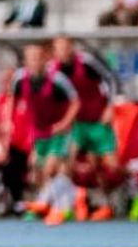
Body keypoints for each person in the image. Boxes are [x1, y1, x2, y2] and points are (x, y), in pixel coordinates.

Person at [6, 43, 80, 226]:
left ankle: (51, 207)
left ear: (45, 59)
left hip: (59, 131)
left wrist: (64, 123)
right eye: (31, 58)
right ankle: (71, 199)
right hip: (39, 130)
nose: (34, 62)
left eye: (38, 58)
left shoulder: (57, 79)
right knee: (36, 171)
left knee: (50, 167)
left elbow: (75, 102)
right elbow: (11, 100)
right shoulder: (19, 78)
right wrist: (8, 122)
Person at [50, 37, 119, 221]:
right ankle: (65, 205)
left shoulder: (87, 62)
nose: (62, 52)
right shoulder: (54, 70)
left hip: (98, 121)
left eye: (65, 47)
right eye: (58, 49)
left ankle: (120, 192)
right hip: (77, 124)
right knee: (66, 161)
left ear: (71, 47)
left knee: (109, 166)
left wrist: (110, 106)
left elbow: (110, 79)